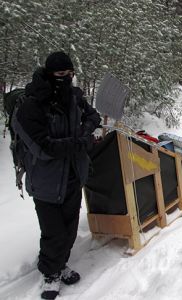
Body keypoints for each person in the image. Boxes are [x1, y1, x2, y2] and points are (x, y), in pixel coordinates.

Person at [12, 51, 101, 299]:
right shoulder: (31, 105)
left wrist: (85, 130)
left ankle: (61, 266)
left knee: (70, 228)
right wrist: (80, 142)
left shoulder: (73, 96)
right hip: (46, 181)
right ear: (50, 74)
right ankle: (50, 274)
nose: (67, 78)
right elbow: (42, 147)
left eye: (70, 73)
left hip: (73, 174)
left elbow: (92, 116)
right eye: (62, 74)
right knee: (54, 232)